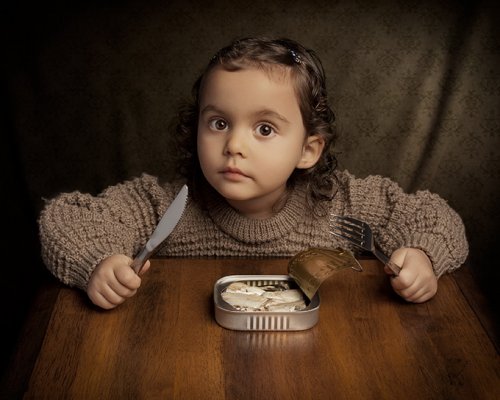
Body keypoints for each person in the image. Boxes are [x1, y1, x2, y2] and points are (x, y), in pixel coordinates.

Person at [39, 36, 469, 310]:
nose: (234, 145)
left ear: (307, 149)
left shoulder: (343, 202)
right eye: (219, 123)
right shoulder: (164, 204)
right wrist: (98, 263)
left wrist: (422, 257)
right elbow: (65, 217)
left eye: (264, 128)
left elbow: (434, 216)